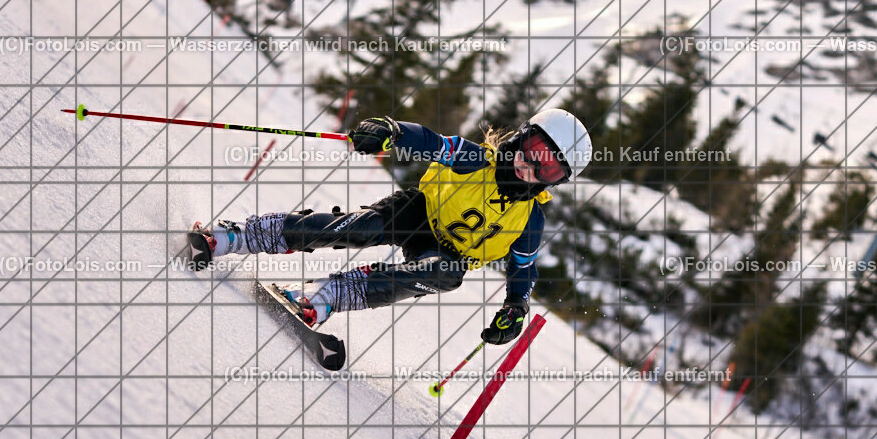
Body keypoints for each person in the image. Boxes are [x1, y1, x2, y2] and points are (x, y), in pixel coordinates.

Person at [188, 109, 591, 345]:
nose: (532, 166)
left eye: (549, 167)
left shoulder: (530, 219)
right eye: (535, 152)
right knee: (359, 228)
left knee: (447, 276)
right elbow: (433, 143)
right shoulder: (477, 160)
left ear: (556, 180)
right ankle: (235, 237)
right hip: (418, 212)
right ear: (523, 137)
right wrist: (393, 133)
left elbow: (523, 268)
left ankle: (325, 297)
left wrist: (516, 306)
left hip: (447, 253)